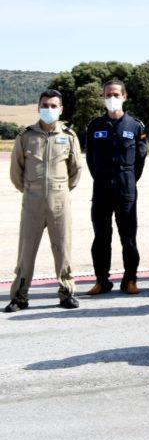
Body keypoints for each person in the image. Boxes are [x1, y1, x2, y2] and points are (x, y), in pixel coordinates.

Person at [5, 91, 83, 312]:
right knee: (26, 250)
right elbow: (15, 171)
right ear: (38, 108)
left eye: (53, 105)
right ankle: (19, 296)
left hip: (60, 201)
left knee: (63, 248)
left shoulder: (69, 136)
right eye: (45, 105)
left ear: (61, 109)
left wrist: (61, 191)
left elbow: (75, 170)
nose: (49, 109)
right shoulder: (26, 136)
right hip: (32, 202)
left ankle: (67, 293)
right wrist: (30, 191)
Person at [85, 79, 148, 295]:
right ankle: (102, 280)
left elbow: (139, 160)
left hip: (126, 189)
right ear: (103, 97)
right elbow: (91, 160)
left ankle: (130, 279)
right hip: (101, 188)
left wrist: (127, 179)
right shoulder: (94, 126)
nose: (112, 98)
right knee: (101, 237)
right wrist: (103, 178)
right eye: (108, 95)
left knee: (128, 237)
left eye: (116, 94)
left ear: (124, 96)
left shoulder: (136, 126)